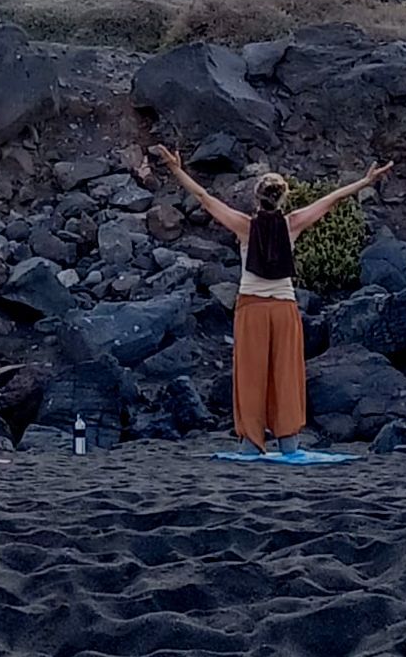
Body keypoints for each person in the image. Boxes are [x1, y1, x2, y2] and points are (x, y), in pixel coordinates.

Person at [151, 148, 391, 456]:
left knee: (250, 376)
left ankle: (251, 442)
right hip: (283, 308)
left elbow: (204, 197)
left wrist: (175, 170)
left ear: (256, 198)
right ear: (283, 197)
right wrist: (365, 181)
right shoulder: (292, 224)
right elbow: (332, 198)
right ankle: (288, 440)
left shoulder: (244, 226)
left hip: (252, 307)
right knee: (286, 375)